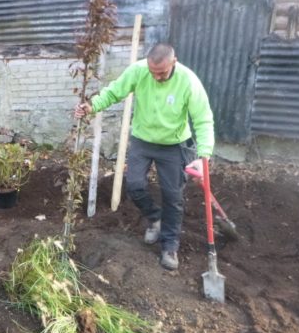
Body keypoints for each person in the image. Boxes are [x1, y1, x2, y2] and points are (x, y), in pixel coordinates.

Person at [74, 43, 214, 270]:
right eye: (153, 73)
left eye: (162, 73)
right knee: (135, 185)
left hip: (174, 145)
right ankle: (154, 218)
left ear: (174, 62)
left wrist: (203, 156)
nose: (157, 77)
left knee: (173, 196)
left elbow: (203, 119)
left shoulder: (188, 81)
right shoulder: (138, 71)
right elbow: (114, 91)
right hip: (143, 140)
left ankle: (170, 244)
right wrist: (92, 106)